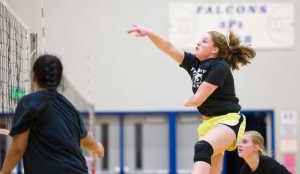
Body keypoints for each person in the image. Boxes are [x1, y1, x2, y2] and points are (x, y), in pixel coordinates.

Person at [128, 25, 255, 174]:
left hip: (228, 120)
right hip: (208, 123)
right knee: (212, 170)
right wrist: (149, 33)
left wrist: (188, 101)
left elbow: (198, 98)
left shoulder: (220, 66)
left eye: (204, 41)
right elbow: (168, 47)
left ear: (214, 50)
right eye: (200, 40)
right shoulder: (193, 62)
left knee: (202, 147)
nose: (199, 43)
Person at [0, 54, 104, 174]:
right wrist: (98, 148)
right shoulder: (70, 108)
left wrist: (4, 171)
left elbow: (18, 148)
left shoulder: (28, 102)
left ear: (34, 76)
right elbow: (86, 141)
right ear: (59, 80)